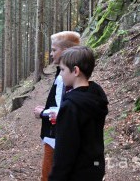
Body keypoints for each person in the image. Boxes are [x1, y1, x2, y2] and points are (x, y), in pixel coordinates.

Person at [48, 46, 109, 181]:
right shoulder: (95, 96)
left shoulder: (71, 106)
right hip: (95, 168)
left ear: (75, 71)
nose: (61, 74)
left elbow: (64, 154)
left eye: (63, 70)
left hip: (76, 174)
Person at [33, 31, 80, 181]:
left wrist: (42, 113)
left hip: (56, 138)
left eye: (54, 50)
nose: (51, 54)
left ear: (65, 52)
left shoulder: (65, 78)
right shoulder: (66, 72)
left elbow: (64, 110)